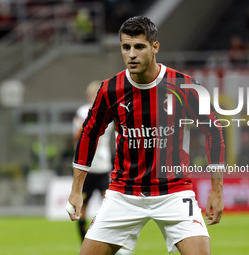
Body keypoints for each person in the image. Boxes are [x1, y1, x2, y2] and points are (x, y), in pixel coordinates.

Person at [67, 16, 225, 255]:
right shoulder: (110, 89)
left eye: (139, 46)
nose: (131, 54)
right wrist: (76, 190)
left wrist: (217, 190)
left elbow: (213, 131)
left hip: (175, 192)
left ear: (155, 47)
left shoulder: (185, 85)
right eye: (126, 47)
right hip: (124, 194)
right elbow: (89, 134)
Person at [72, 81, 114, 243]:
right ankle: (84, 242)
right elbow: (78, 136)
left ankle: (109, 240)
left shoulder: (109, 111)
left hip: (103, 165)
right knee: (83, 206)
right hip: (85, 167)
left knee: (111, 203)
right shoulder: (83, 112)